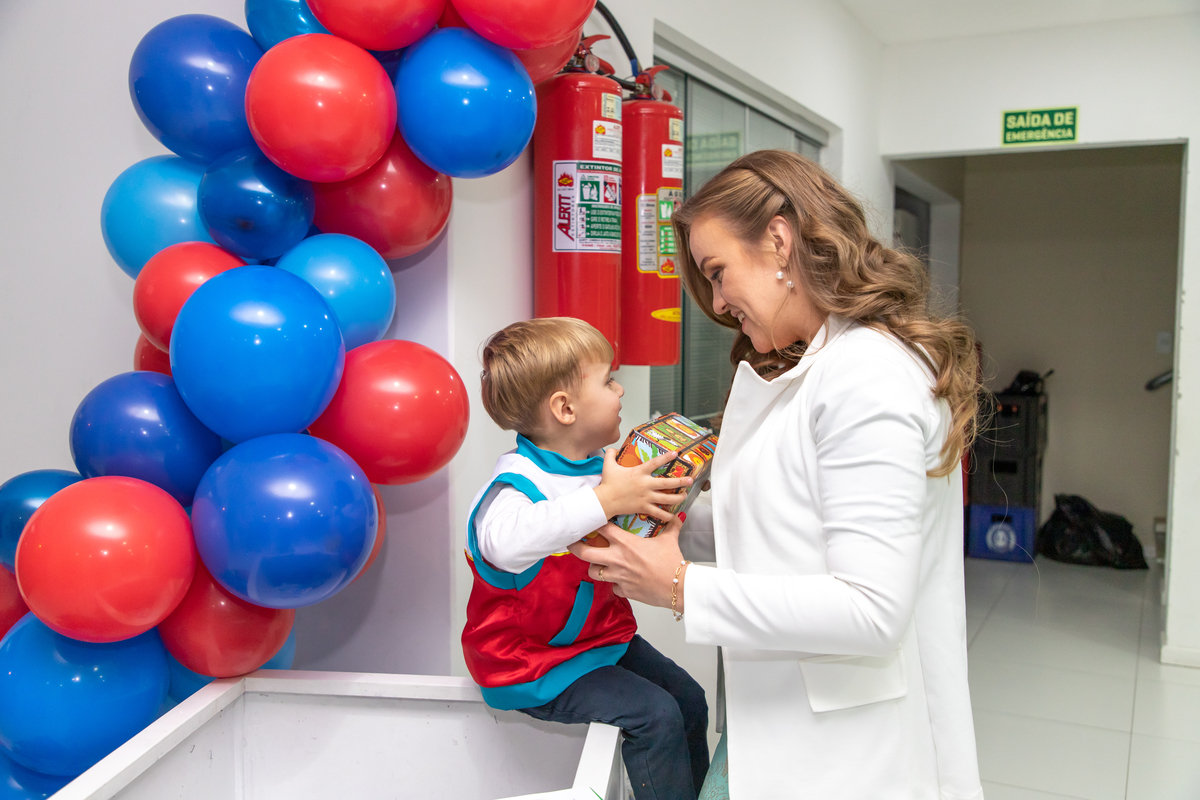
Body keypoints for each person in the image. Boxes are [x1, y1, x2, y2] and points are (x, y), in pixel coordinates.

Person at [570, 150, 985, 800]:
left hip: (848, 751)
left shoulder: (868, 375)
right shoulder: (814, 366)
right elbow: (782, 522)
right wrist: (653, 515)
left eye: (718, 272)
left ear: (779, 241)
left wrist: (679, 586)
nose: (716, 301)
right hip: (779, 720)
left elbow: (871, 609)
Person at [462, 317, 710, 800]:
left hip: (603, 639)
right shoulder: (514, 486)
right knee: (655, 717)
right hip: (532, 664)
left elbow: (650, 528)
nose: (620, 390)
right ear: (565, 408)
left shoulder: (605, 469)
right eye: (608, 380)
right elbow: (504, 545)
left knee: (689, 700)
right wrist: (607, 500)